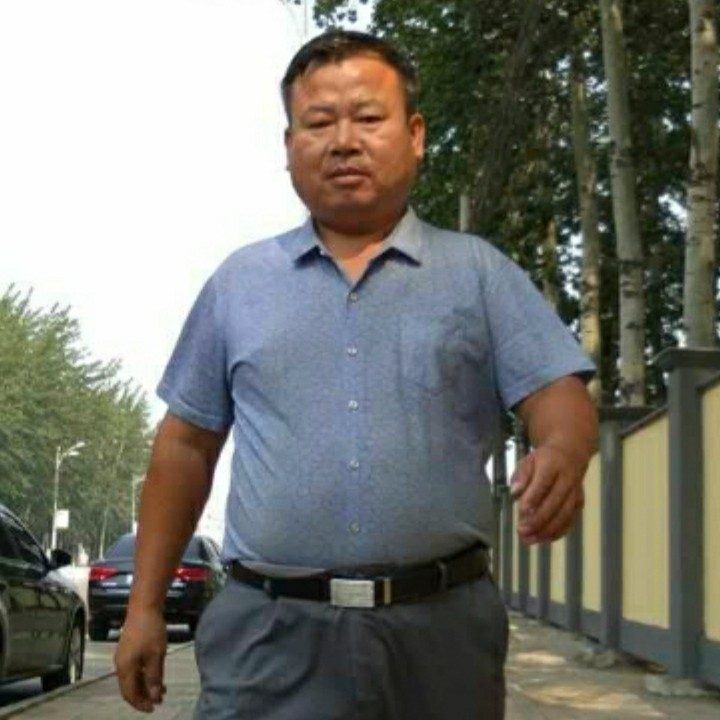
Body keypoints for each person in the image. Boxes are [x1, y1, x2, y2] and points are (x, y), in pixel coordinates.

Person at [115, 29, 598, 720]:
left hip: (439, 637)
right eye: (319, 123)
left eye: (368, 118)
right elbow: (184, 447)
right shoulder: (239, 284)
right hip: (268, 640)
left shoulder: (478, 275)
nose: (343, 141)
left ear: (415, 134)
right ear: (289, 146)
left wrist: (564, 450)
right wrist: (144, 607)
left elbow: (558, 392)